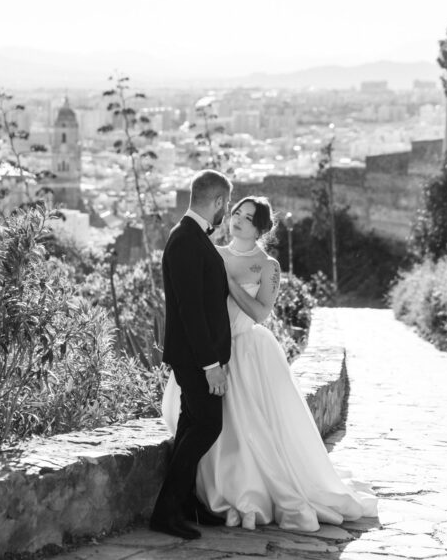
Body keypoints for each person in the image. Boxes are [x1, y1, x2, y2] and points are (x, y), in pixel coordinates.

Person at [162, 196, 378, 532]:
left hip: (248, 350)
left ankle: (250, 492)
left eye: (248, 218)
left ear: (261, 228)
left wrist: (231, 285)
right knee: (208, 426)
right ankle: (203, 496)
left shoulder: (267, 266)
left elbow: (261, 313)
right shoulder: (213, 253)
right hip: (211, 353)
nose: (238, 220)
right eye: (236, 213)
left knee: (251, 427)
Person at [150, 169, 234, 540]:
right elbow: (191, 310)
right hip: (194, 358)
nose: (225, 213)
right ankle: (165, 512)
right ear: (216, 201)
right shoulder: (185, 239)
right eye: (225, 205)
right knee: (208, 425)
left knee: (190, 425)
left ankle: (184, 504)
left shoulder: (190, 237)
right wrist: (211, 365)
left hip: (197, 355)